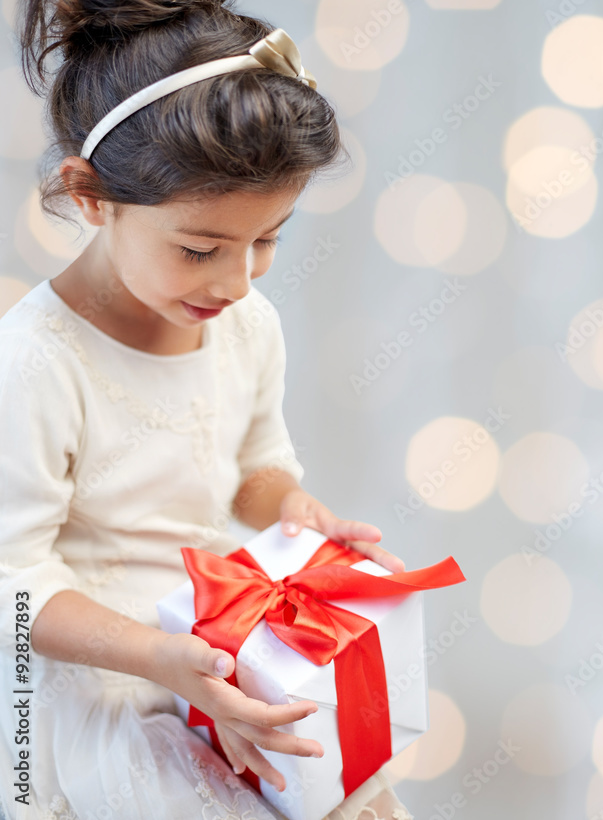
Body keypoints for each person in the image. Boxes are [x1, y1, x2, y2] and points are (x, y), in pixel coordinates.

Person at [0, 1, 413, 817]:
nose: (237, 282)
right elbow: (13, 585)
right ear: (89, 197)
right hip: (105, 679)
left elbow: (252, 473)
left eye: (268, 239)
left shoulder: (246, 324)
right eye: (199, 249)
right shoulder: (36, 363)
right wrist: (160, 657)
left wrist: (296, 513)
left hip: (220, 652)